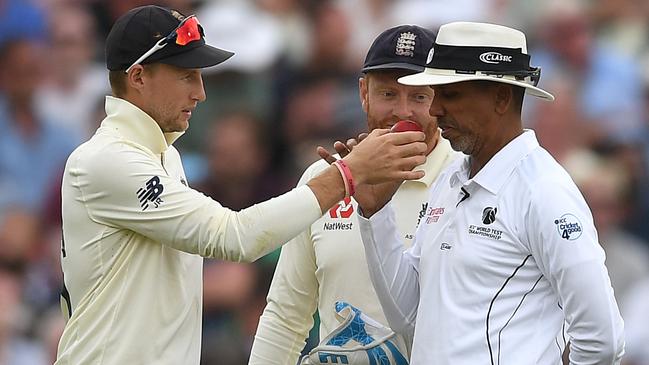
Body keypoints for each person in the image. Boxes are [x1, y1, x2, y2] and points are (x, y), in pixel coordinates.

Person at [56, 6, 429, 365]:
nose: (200, 93)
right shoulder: (108, 160)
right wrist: (348, 175)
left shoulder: (162, 154)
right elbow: (234, 237)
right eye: (186, 75)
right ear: (138, 77)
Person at [352, 22, 625, 364]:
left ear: (500, 98)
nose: (435, 109)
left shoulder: (544, 192)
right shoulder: (452, 179)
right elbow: (408, 318)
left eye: (451, 94)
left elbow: (604, 341)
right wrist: (375, 214)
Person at [248, 25, 457, 364]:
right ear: (364, 93)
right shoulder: (324, 180)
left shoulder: (464, 181)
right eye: (388, 94)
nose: (403, 112)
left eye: (419, 96)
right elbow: (286, 316)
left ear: (442, 100)